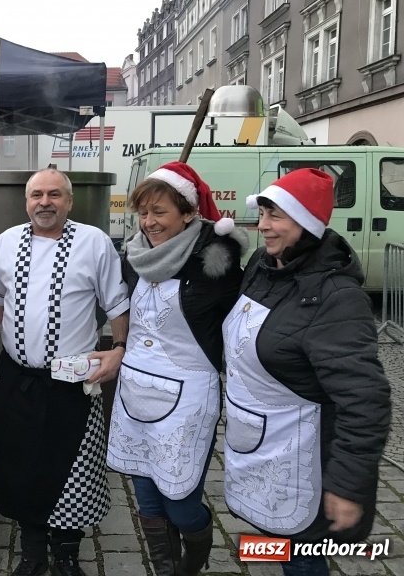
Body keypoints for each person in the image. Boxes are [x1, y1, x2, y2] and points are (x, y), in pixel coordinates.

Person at [222, 168, 391, 576]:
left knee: (302, 554)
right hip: (262, 443)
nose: (262, 225)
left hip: (303, 457)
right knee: (274, 539)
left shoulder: (337, 297)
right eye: (262, 213)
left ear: (307, 222)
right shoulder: (266, 264)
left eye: (275, 216)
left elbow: (365, 402)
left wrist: (346, 487)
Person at [0, 168, 129, 576]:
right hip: (18, 377)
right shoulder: (6, 241)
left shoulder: (94, 242)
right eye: (36, 195)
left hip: (72, 378)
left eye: (54, 195)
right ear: (26, 201)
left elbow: (117, 303)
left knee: (73, 465)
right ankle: (32, 552)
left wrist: (118, 349)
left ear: (69, 201)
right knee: (22, 464)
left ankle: (65, 554)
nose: (44, 202)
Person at [106, 162, 247, 576]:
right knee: (147, 498)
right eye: (143, 213)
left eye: (159, 212)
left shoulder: (214, 262)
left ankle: (195, 555)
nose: (149, 222)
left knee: (181, 501)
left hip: (188, 395)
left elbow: (242, 327)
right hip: (135, 391)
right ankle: (168, 571)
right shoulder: (135, 256)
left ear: (188, 213)